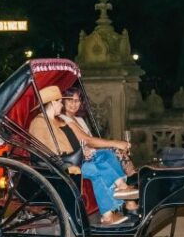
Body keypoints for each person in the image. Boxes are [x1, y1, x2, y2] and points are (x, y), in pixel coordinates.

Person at [28, 85, 137, 225]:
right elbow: (51, 151)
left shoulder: (56, 121)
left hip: (75, 159)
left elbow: (71, 144)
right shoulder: (39, 123)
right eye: (60, 101)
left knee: (107, 154)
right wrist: (78, 154)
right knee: (98, 169)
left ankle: (121, 189)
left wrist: (83, 152)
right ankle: (110, 211)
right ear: (52, 102)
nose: (61, 104)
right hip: (61, 166)